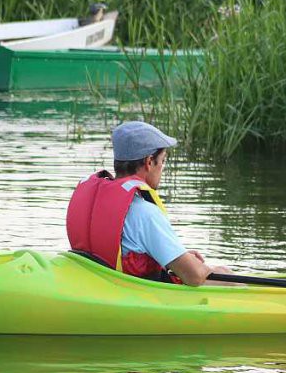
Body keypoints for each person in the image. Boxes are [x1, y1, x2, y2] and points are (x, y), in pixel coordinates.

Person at [66, 121, 231, 286]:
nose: (162, 168)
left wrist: (176, 256)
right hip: (135, 292)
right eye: (163, 161)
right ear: (149, 162)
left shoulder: (96, 203)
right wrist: (201, 267)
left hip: (99, 282)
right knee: (225, 274)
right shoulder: (145, 213)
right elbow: (194, 276)